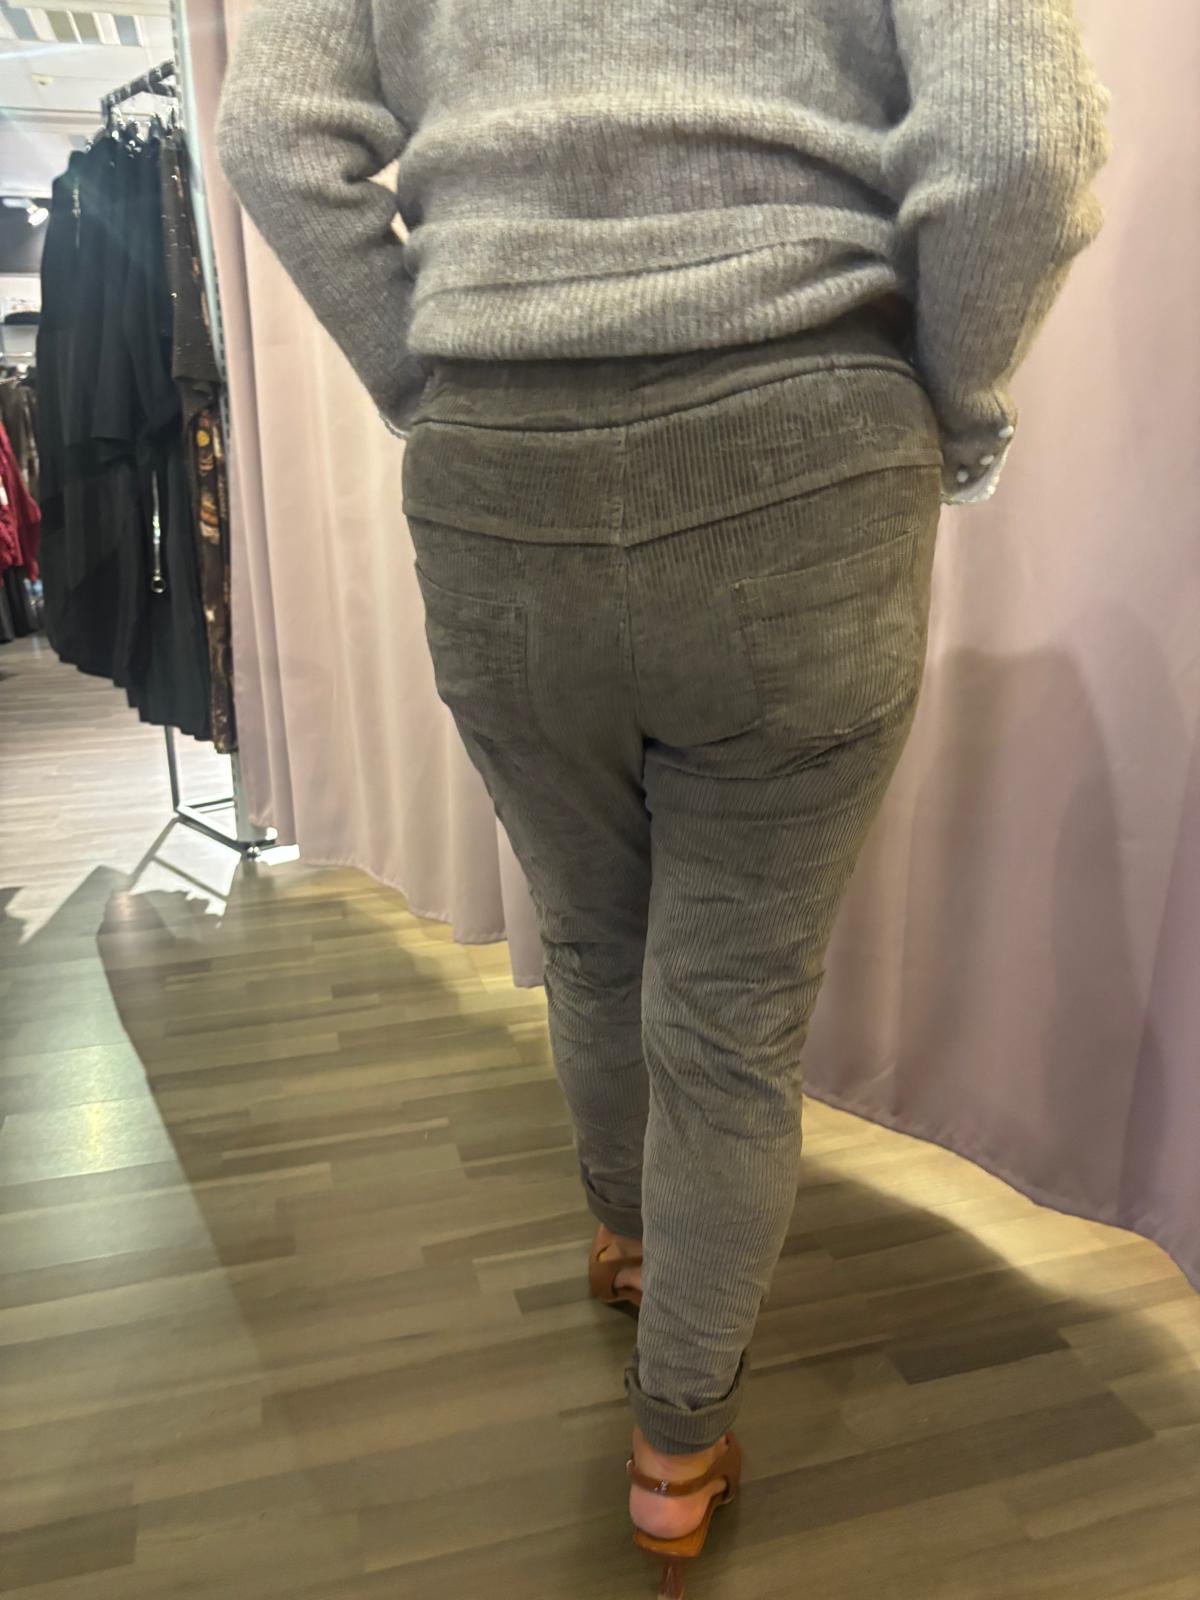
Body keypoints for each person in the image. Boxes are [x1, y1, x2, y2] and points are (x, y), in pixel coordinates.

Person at [218, 3, 1108, 1591]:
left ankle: (632, 1241)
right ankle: (675, 1447)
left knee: (589, 925)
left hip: (497, 464)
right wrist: (953, 404)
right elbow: (1016, 137)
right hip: (807, 447)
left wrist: (434, 374)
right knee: (730, 1017)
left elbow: (275, 136)